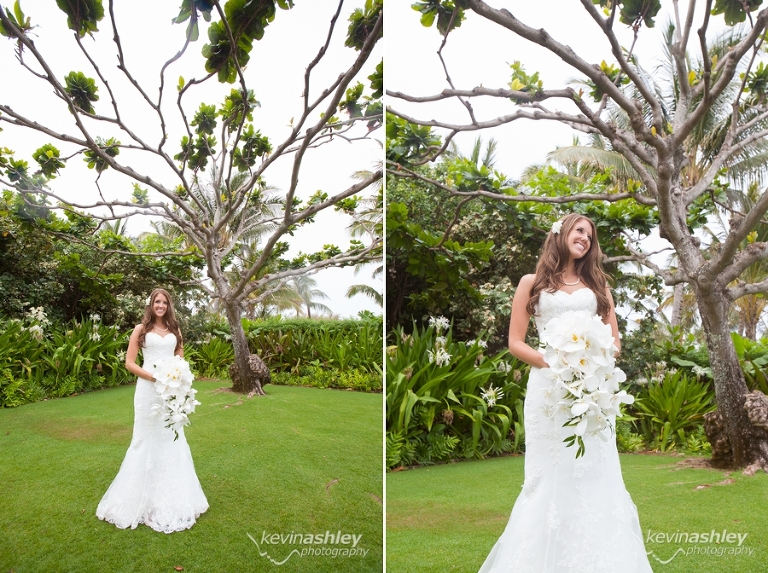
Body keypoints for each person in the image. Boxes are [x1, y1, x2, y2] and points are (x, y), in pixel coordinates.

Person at [478, 214, 653, 572]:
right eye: (579, 231)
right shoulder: (531, 283)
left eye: (590, 235)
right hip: (548, 391)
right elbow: (514, 343)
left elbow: (614, 342)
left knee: (593, 470)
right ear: (560, 234)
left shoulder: (598, 286)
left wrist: (590, 360)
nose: (585, 239)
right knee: (548, 476)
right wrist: (555, 362)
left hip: (591, 388)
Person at [96, 288, 208, 533]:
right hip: (148, 391)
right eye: (157, 301)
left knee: (169, 436)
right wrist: (154, 377)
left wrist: (177, 378)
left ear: (168, 306)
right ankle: (136, 499)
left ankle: (171, 497)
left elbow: (180, 360)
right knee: (143, 438)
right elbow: (129, 363)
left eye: (164, 302)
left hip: (170, 392)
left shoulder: (175, 330)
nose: (160, 305)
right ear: (151, 305)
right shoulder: (141, 329)